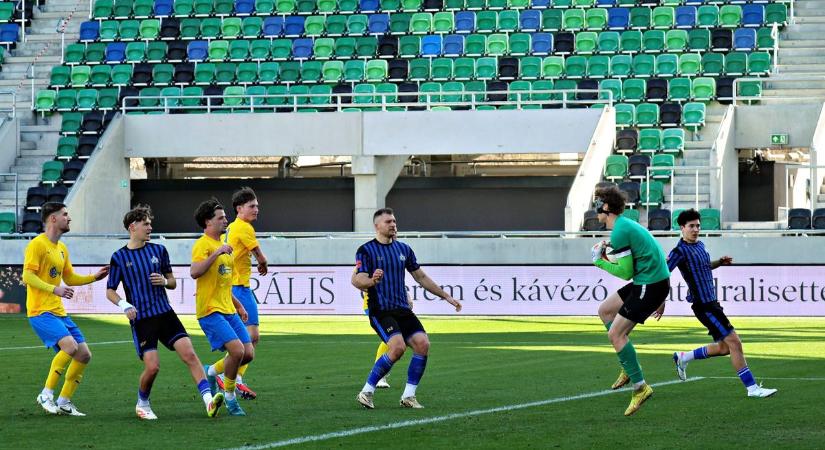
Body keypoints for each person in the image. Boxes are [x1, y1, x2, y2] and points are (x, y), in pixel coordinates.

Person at [106, 205, 225, 420]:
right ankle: (142, 403)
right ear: (133, 227)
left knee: (190, 354)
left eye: (150, 223)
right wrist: (124, 305)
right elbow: (110, 291)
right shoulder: (119, 257)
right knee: (153, 367)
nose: (150, 227)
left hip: (165, 313)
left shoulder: (159, 251)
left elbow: (171, 282)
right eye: (146, 224)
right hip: (142, 319)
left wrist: (164, 281)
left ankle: (209, 401)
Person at [352, 208, 462, 409]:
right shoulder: (366, 250)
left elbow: (420, 277)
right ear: (377, 226)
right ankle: (366, 391)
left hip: (403, 309)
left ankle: (408, 396)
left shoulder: (404, 249)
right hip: (381, 310)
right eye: (388, 222)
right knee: (397, 348)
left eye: (394, 221)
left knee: (423, 344)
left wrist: (446, 296)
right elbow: (357, 279)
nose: (393, 224)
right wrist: (371, 280)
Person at [668, 209, 777, 398]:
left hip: (712, 303)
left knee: (724, 348)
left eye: (698, 226)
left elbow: (705, 266)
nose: (695, 230)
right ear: (682, 227)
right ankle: (752, 389)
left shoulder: (700, 245)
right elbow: (663, 272)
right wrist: (659, 299)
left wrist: (719, 262)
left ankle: (683, 357)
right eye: (691, 226)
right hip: (704, 306)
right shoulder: (679, 251)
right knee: (735, 343)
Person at [24, 202, 109, 416]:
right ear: (53, 218)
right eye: (65, 214)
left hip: (58, 312)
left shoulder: (62, 249)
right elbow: (27, 276)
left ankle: (64, 401)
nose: (68, 218)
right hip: (40, 311)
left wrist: (94, 277)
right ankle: (46, 393)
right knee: (70, 347)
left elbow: (69, 278)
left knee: (84, 355)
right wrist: (55, 289)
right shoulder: (37, 244)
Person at [592, 186, 670, 416]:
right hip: (650, 282)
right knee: (605, 311)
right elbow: (646, 257)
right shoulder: (624, 226)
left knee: (616, 334)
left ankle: (640, 387)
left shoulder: (619, 231)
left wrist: (599, 262)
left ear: (606, 207)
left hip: (650, 284)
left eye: (598, 204)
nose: (595, 209)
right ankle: (628, 367)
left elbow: (625, 273)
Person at [192, 198, 254, 416]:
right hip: (210, 310)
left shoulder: (222, 246)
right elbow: (194, 272)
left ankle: (212, 371)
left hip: (228, 308)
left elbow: (224, 284)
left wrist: (238, 305)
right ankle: (229, 397)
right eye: (221, 217)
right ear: (208, 222)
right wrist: (217, 254)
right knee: (237, 351)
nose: (225, 220)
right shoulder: (204, 245)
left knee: (248, 354)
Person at [213, 187, 267, 400]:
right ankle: (220, 373)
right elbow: (258, 254)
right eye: (252, 206)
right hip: (238, 287)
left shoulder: (235, 227)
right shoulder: (243, 227)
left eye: (257, 206)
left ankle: (232, 377)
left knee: (250, 339)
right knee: (251, 337)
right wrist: (263, 263)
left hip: (237, 286)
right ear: (239, 208)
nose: (256, 210)